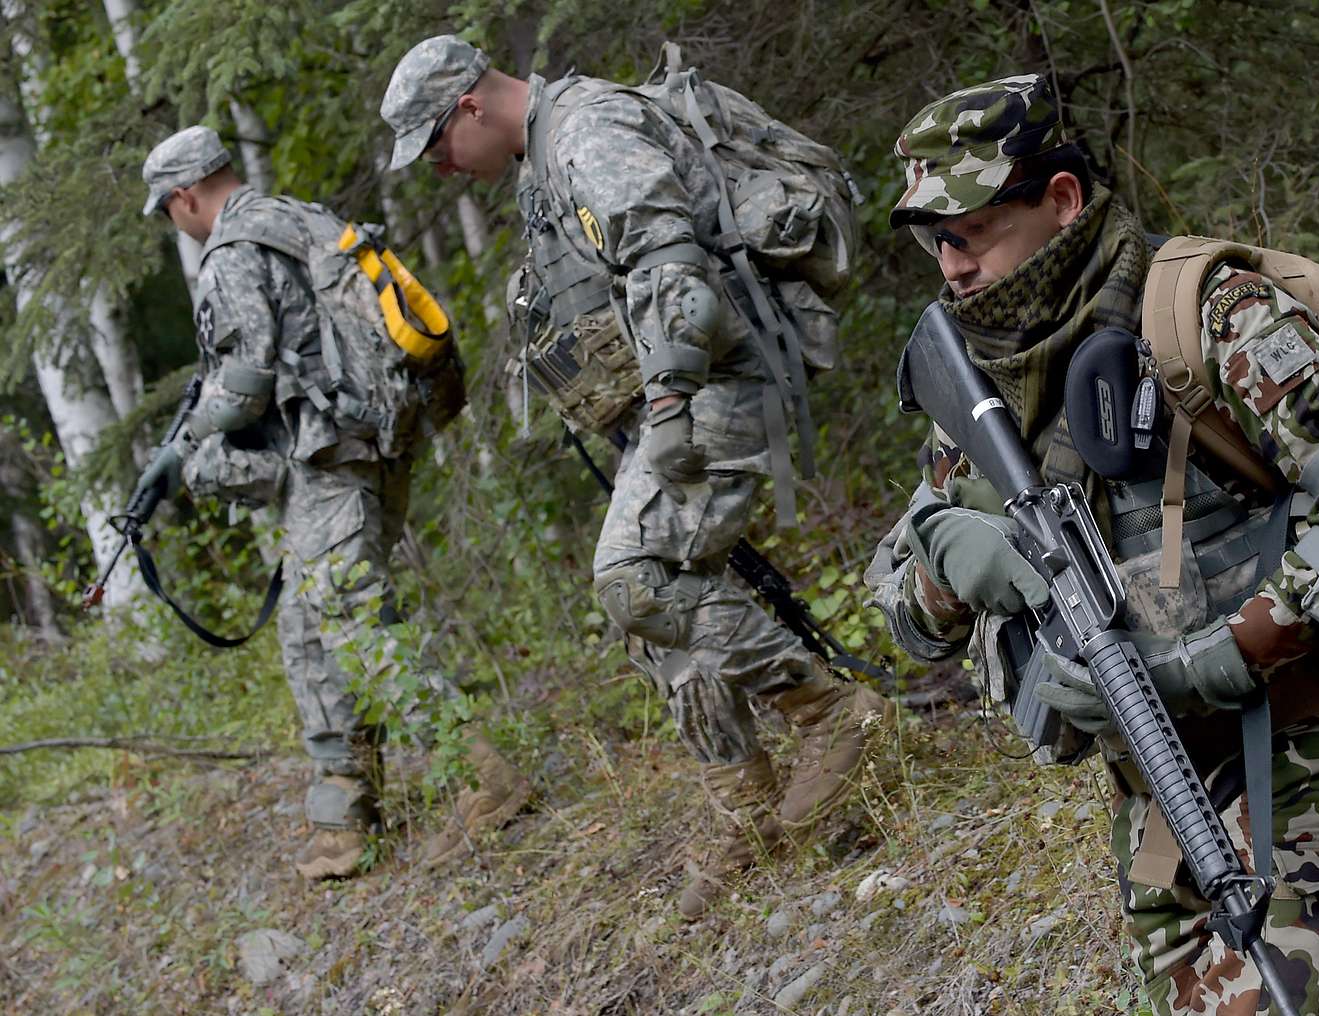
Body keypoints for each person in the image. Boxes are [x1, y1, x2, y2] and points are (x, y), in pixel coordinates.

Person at [867, 75, 1319, 1014]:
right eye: (935, 241)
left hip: (1303, 763)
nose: (951, 266)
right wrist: (948, 561)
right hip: (1154, 806)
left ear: (1059, 201)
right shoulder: (983, 380)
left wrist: (1222, 656)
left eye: (969, 232)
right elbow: (900, 610)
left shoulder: (1205, 315)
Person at [380, 35, 894, 919]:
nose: (439, 170)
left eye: (434, 147)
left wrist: (665, 406)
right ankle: (747, 807)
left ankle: (833, 716)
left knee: (635, 577)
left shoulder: (586, 134)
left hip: (718, 381)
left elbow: (671, 269)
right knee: (648, 617)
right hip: (689, 383)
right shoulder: (545, 152)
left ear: (468, 106)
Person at [133, 126, 532, 880]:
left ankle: (485, 775)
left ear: (186, 196)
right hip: (376, 440)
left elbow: (247, 377)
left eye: (169, 210)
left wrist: (182, 450)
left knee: (349, 617)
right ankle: (343, 819)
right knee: (307, 625)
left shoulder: (233, 250)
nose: (174, 223)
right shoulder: (300, 218)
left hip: (330, 454)